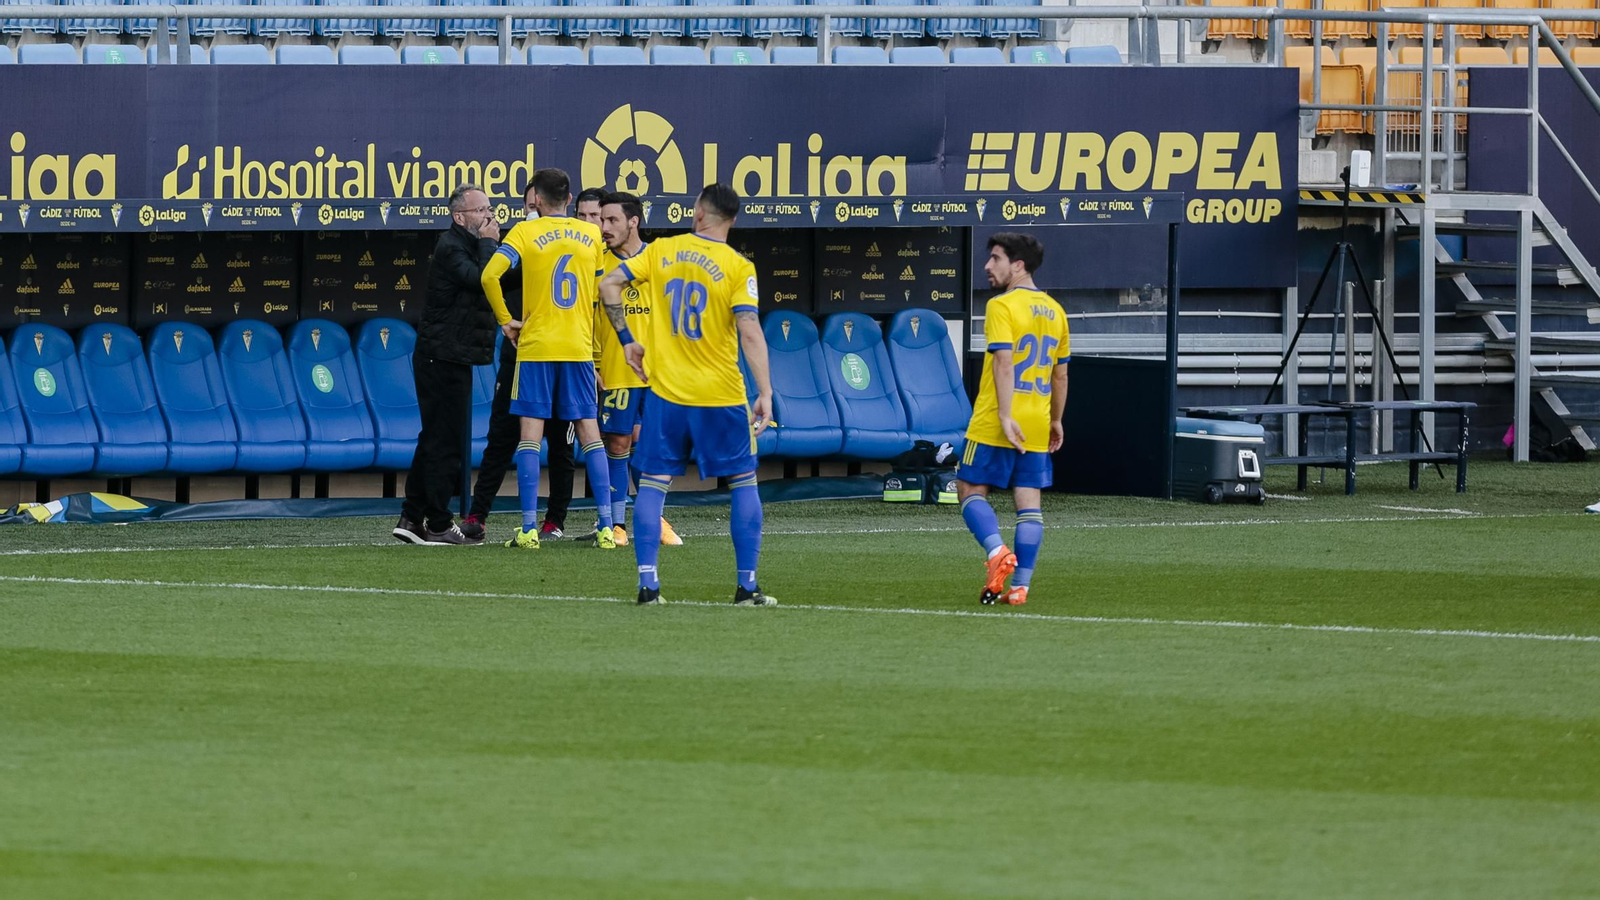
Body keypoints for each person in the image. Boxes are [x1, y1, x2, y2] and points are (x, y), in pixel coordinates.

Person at [599, 183, 775, 606]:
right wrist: (766, 391)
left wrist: (626, 340)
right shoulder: (737, 266)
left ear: (698, 213)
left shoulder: (662, 251)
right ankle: (746, 587)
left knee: (654, 486)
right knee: (743, 482)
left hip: (667, 393)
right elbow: (749, 331)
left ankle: (648, 586)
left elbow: (608, 286)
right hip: (721, 394)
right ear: (731, 220)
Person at [480, 168, 617, 550]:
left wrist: (506, 321)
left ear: (536, 200)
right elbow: (596, 296)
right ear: (570, 199)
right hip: (576, 347)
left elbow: (490, 276)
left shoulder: (525, 232)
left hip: (537, 346)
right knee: (589, 433)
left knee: (530, 436)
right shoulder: (591, 234)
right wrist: (595, 354)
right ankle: (607, 526)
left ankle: (528, 530)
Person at [459, 183, 587, 541]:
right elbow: (493, 276)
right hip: (521, 351)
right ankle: (478, 516)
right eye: (529, 206)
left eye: (538, 204)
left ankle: (554, 521)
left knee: (562, 441)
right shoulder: (522, 237)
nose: (535, 210)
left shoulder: (577, 241)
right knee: (501, 435)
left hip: (563, 354)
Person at [955, 232, 1069, 606]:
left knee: (969, 490)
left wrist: (1005, 415)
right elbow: (1060, 374)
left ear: (1017, 265)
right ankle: (1020, 586)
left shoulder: (1002, 306)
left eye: (996, 259)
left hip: (997, 417)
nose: (988, 266)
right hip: (1037, 417)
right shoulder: (1056, 311)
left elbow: (1004, 361)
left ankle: (996, 553)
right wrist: (1056, 420)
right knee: (1029, 503)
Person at [394, 183, 511, 546]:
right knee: (444, 443)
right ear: (459, 217)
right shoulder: (451, 245)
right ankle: (439, 523)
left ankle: (412, 517)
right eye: (481, 211)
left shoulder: (472, 245)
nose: (490, 216)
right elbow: (481, 280)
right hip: (439, 355)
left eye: (490, 209)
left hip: (452, 354)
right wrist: (492, 243)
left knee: (437, 438)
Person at [593, 190, 681, 547]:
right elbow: (585, 314)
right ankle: (616, 524)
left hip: (657, 373)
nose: (604, 227)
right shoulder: (597, 262)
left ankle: (654, 518)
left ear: (634, 221)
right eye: (601, 219)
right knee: (617, 441)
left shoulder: (661, 258)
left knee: (650, 445)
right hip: (614, 369)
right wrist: (591, 361)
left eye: (612, 219)